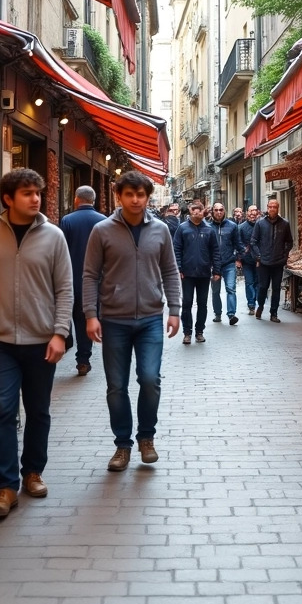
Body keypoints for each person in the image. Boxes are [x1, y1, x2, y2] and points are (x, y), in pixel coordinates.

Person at [0, 168, 73, 519]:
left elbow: (65, 289)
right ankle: (5, 486)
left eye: (37, 192)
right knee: (3, 411)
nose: (35, 198)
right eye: (27, 193)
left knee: (38, 412)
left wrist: (60, 333)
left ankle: (32, 473)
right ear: (8, 198)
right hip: (1, 340)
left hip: (41, 341)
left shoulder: (54, 237)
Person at [83, 171, 182, 471]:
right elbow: (89, 275)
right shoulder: (102, 230)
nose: (136, 200)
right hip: (114, 320)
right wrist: (90, 315)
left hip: (151, 318)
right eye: (130, 194)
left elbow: (169, 270)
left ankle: (146, 438)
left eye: (141, 194)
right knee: (116, 386)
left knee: (150, 380)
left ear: (148, 197)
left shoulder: (161, 230)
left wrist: (175, 310)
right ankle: (122, 445)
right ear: (119, 196)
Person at [59, 185, 106, 377]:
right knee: (85, 317)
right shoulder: (104, 222)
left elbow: (60, 251)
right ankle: (83, 359)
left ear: (76, 199)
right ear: (93, 200)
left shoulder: (67, 221)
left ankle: (65, 343)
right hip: (95, 280)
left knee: (65, 315)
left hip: (70, 277)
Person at [172, 199, 219, 344]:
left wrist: (217, 270)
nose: (196, 212)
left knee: (202, 303)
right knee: (186, 303)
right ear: (190, 211)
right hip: (187, 273)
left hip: (204, 273)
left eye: (199, 209)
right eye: (193, 210)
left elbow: (215, 251)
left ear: (203, 211)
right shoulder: (182, 228)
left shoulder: (209, 229)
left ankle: (199, 331)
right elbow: (176, 249)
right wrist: (179, 268)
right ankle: (187, 332)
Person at [251, 198, 293, 322]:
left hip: (278, 262)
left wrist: (284, 254)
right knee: (263, 286)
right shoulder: (260, 223)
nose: (272, 209)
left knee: (276, 288)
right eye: (270, 207)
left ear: (278, 208)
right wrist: (258, 256)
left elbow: (289, 242)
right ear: (267, 208)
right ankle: (261, 306)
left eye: (275, 207)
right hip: (264, 261)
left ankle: (273, 313)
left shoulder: (284, 223)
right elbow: (253, 242)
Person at [207, 202, 242, 325]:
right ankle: (217, 313)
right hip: (213, 265)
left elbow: (238, 244)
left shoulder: (232, 226)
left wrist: (238, 257)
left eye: (221, 210)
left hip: (228, 263)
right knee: (215, 291)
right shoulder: (207, 227)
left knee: (230, 289)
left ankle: (232, 315)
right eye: (216, 210)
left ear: (224, 211)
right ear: (212, 211)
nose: (218, 212)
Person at [237, 205, 260, 315]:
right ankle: (251, 304)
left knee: (258, 282)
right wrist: (238, 258)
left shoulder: (261, 226)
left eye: (255, 211)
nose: (253, 213)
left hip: (260, 260)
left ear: (258, 213)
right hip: (247, 260)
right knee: (249, 282)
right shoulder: (241, 227)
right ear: (247, 213)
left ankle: (257, 301)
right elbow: (238, 243)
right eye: (251, 211)